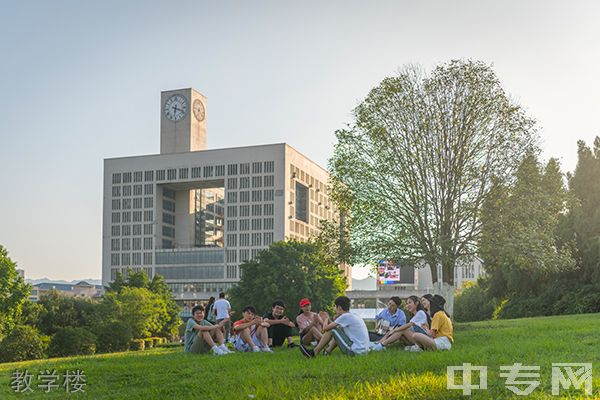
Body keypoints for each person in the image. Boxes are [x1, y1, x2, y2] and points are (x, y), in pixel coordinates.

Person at [299, 296, 370, 357]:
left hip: (355, 351)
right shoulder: (352, 315)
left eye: (334, 306)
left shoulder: (345, 316)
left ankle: (314, 352)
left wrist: (326, 318)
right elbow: (337, 328)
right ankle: (327, 351)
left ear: (339, 307)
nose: (334, 309)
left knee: (332, 330)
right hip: (363, 351)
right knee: (337, 330)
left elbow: (325, 328)